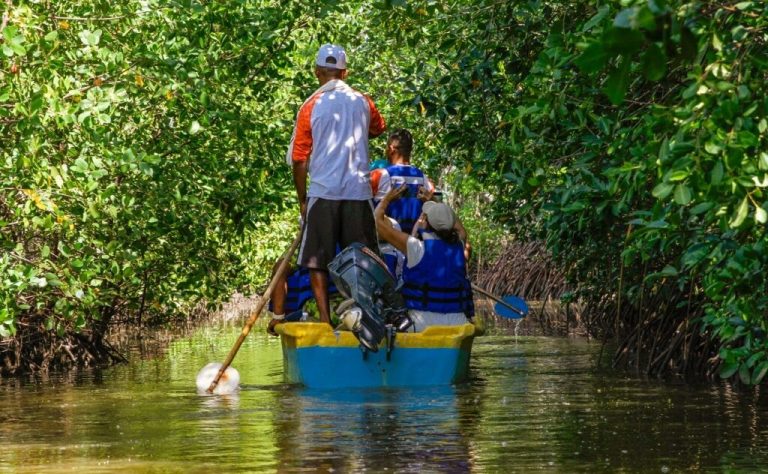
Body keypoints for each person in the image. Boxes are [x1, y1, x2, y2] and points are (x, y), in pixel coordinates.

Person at [285, 43, 386, 325]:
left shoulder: (311, 105)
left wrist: (302, 200)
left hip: (323, 193)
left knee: (317, 261)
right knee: (364, 260)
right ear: (345, 72)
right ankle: (367, 317)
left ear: (318, 72)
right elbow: (378, 128)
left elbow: (299, 159)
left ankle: (326, 322)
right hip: (358, 192)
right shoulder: (363, 101)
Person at [374, 186, 474, 332]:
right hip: (458, 322)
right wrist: (436, 203)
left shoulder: (415, 247)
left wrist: (387, 200)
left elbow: (377, 222)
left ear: (426, 223)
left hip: (421, 322)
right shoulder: (459, 243)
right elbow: (460, 229)